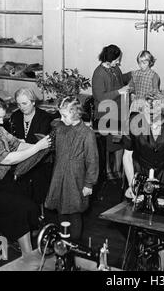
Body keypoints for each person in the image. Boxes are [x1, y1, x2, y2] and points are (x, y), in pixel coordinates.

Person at [0, 95, 51, 256]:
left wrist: (40, 147)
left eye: (2, 117)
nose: (1, 121)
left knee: (29, 205)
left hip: (2, 180)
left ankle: (23, 245)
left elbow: (17, 145)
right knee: (18, 208)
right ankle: (27, 254)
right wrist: (37, 148)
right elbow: (8, 159)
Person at [123, 90, 164, 270]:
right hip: (139, 172)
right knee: (137, 228)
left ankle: (158, 269)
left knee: (162, 229)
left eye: (157, 121)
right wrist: (132, 184)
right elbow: (127, 156)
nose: (153, 125)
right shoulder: (133, 121)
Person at [44, 96, 99, 242]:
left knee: (75, 212)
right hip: (59, 175)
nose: (61, 119)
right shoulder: (60, 128)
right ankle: (63, 240)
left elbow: (92, 160)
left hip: (76, 179)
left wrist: (89, 184)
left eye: (64, 115)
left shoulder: (87, 133)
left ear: (76, 114)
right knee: (61, 210)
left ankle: (73, 243)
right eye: (60, 115)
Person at [4, 87, 57, 208]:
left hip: (40, 160)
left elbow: (44, 144)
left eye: (24, 103)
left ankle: (36, 210)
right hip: (20, 158)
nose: (21, 107)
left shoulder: (44, 117)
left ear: (33, 102)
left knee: (36, 180)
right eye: (18, 104)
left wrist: (22, 143)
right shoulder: (15, 116)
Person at [92, 44, 131, 183]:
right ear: (109, 59)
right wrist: (119, 92)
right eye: (116, 59)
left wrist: (133, 74)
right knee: (109, 144)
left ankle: (118, 169)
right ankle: (109, 171)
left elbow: (121, 81)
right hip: (105, 113)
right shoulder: (99, 73)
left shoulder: (115, 69)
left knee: (121, 141)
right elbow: (99, 97)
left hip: (118, 111)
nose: (118, 62)